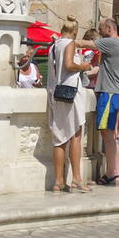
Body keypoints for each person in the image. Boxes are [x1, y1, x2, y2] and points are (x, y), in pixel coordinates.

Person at [80, 18, 119, 185]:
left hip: (109, 93)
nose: (100, 34)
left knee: (108, 136)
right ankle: (112, 172)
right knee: (112, 136)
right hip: (114, 93)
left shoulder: (112, 42)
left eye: (101, 30)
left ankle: (113, 173)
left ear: (109, 28)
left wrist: (66, 40)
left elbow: (88, 44)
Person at [47, 16, 91, 193]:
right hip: (71, 92)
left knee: (59, 138)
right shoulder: (70, 43)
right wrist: (84, 66)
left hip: (55, 93)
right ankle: (77, 178)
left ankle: (58, 181)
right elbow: (69, 65)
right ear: (75, 31)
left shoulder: (53, 46)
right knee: (75, 134)